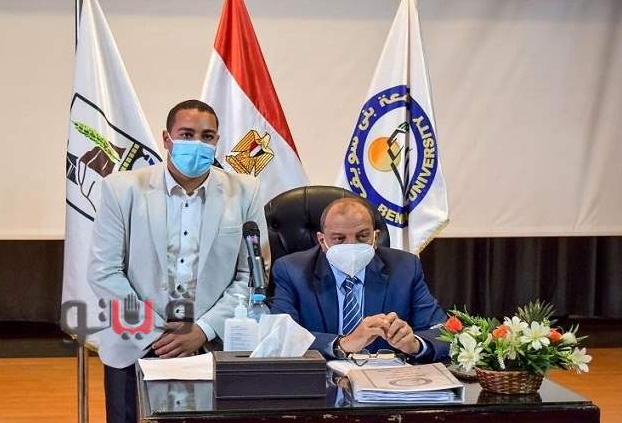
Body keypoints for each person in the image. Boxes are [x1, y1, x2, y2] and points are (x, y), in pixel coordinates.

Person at [87, 99, 267, 423]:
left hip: (212, 345)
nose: (196, 143)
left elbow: (251, 276)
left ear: (216, 141)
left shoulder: (245, 191)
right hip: (135, 344)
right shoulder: (122, 189)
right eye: (186, 134)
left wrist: (202, 330)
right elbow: (104, 272)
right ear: (166, 139)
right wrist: (158, 334)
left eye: (207, 136)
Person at [270, 197, 447, 362]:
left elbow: (443, 332)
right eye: (339, 239)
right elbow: (282, 338)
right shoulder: (291, 271)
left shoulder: (405, 268)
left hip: (384, 378)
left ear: (375, 238)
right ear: (322, 241)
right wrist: (343, 344)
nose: (351, 245)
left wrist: (415, 344)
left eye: (362, 236)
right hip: (321, 379)